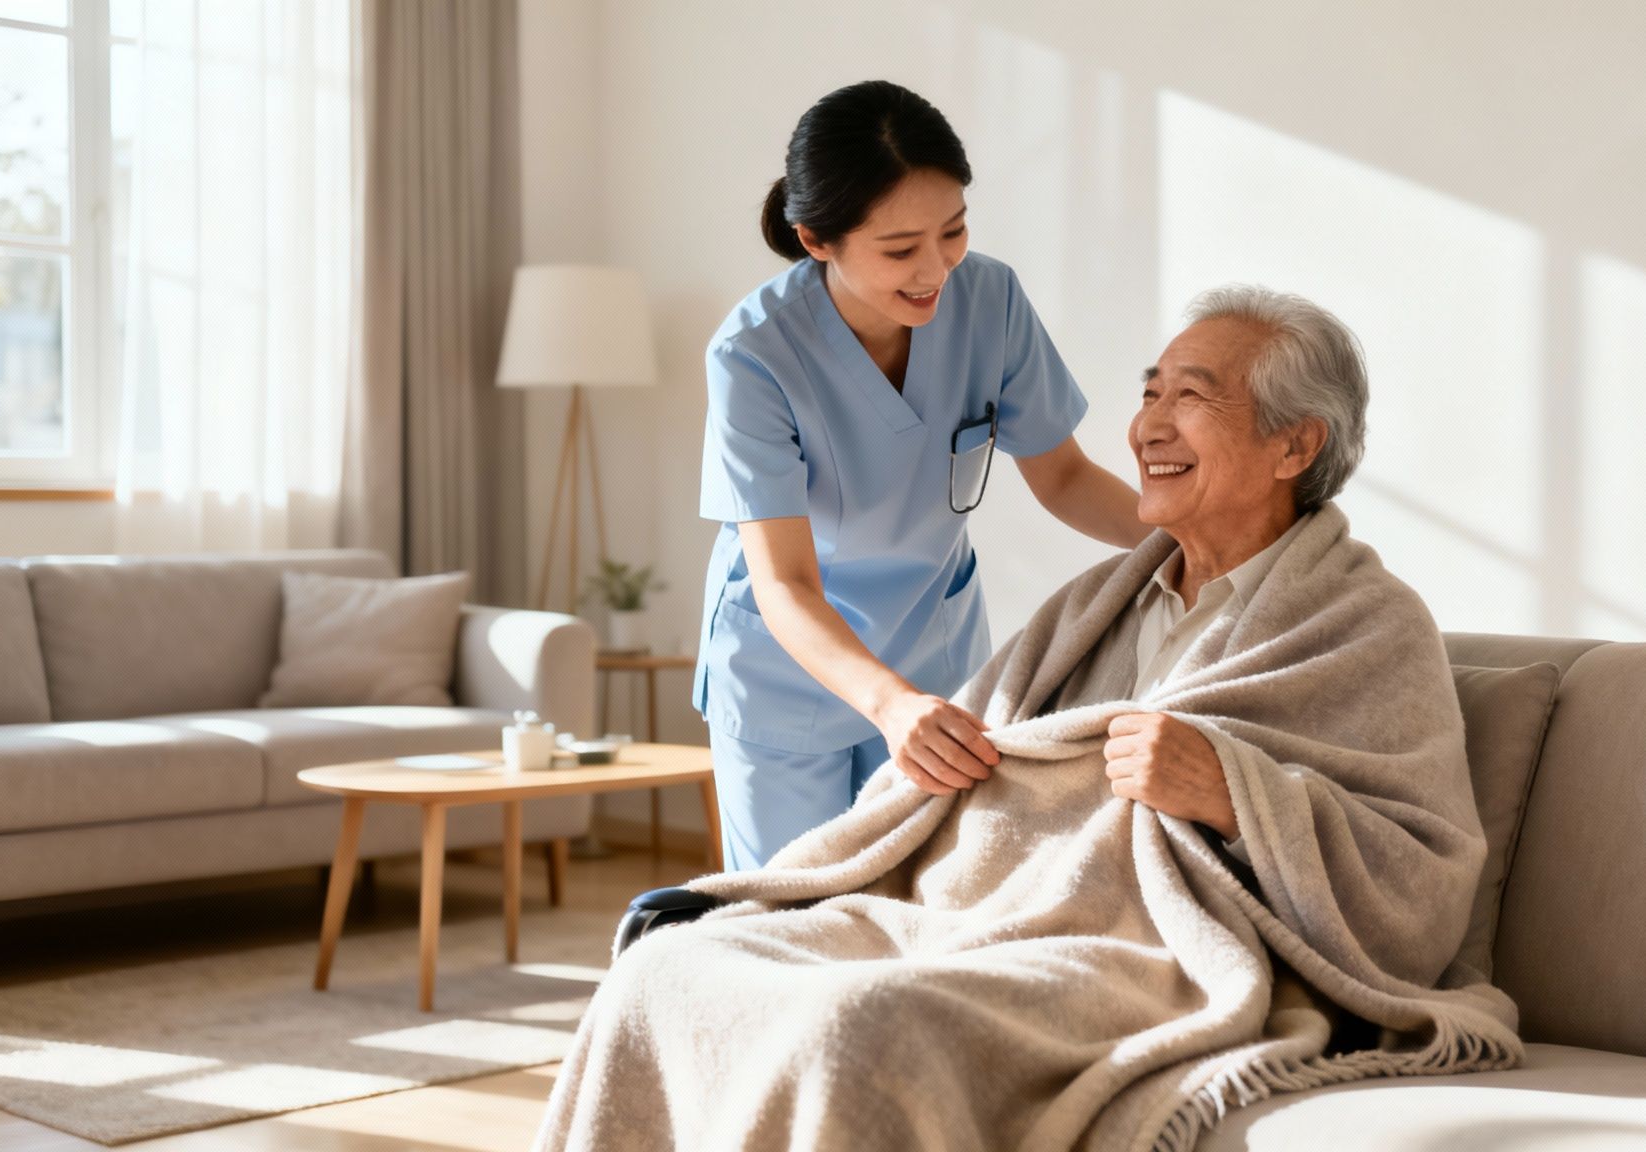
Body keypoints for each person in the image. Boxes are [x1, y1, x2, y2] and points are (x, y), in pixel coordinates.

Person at [538, 287, 1513, 1151]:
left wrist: (1230, 794)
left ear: (1293, 445)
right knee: (667, 971)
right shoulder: (1097, 602)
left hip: (1145, 954)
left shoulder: (1366, 623)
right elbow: (936, 779)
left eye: (1191, 397)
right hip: (967, 915)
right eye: (1148, 391)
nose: (1145, 427)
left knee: (863, 1027)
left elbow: (1421, 888)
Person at [695, 80, 1149, 870]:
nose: (935, 268)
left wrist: (1203, 536)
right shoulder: (754, 355)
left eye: (954, 231)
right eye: (900, 250)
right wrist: (886, 703)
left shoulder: (991, 300)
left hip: (933, 651)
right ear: (817, 241)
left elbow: (1065, 476)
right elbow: (787, 585)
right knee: (794, 916)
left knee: (926, 902)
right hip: (790, 667)